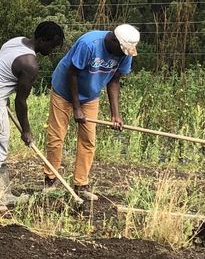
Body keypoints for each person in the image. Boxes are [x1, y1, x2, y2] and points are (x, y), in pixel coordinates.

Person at [0, 21, 64, 210]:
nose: (52, 51)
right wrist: (26, 130)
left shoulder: (16, 41)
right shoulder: (30, 64)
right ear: (42, 39)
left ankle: (4, 195)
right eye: (51, 46)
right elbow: (20, 101)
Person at [44, 24, 139, 201]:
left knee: (88, 140)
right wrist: (77, 108)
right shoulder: (89, 44)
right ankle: (50, 181)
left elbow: (114, 80)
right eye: (121, 50)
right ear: (112, 40)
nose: (122, 55)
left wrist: (115, 114)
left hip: (90, 95)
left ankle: (81, 185)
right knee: (56, 138)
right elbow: (72, 73)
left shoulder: (125, 52)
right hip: (64, 91)